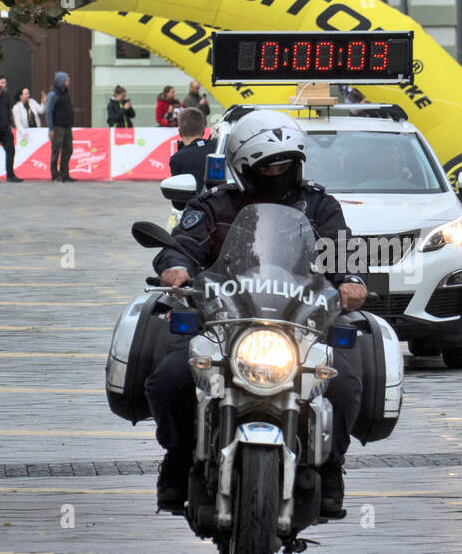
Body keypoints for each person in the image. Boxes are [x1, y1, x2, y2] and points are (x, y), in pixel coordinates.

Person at [146, 109, 368, 516]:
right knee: (170, 378)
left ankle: (331, 467)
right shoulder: (215, 205)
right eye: (269, 166)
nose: (279, 171)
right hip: (222, 324)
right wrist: (175, 265)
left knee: (344, 385)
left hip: (299, 325)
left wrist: (351, 278)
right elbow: (184, 242)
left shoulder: (318, 205)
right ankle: (177, 460)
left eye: (287, 163)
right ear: (244, 167)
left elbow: (342, 248)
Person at [168, 107, 211, 192]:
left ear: (180, 132)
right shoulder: (218, 148)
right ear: (203, 130)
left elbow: (177, 200)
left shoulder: (177, 159)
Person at [44, 71, 74, 182]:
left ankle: (65, 173)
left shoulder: (66, 92)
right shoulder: (53, 94)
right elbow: (48, 111)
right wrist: (50, 128)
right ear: (61, 81)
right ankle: (55, 174)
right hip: (58, 127)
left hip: (67, 126)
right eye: (66, 80)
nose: (68, 81)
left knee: (68, 150)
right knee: (56, 151)